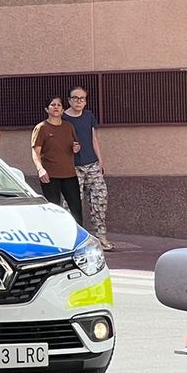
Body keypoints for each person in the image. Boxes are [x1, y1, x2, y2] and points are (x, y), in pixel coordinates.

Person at [64, 85, 111, 250]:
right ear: (69, 100)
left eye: (82, 98)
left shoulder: (88, 116)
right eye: (75, 98)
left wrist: (100, 160)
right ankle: (73, 238)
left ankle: (101, 236)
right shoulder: (63, 118)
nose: (78, 101)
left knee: (99, 199)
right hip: (72, 167)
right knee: (72, 203)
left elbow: (93, 138)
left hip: (92, 164)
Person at [31, 95, 83, 224]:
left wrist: (75, 148)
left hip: (69, 174)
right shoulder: (41, 128)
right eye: (53, 105)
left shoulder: (68, 126)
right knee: (53, 210)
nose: (56, 107)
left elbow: (74, 145)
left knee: (76, 210)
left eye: (59, 105)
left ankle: (78, 239)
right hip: (50, 175)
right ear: (46, 109)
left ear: (63, 109)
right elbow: (35, 152)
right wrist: (40, 169)